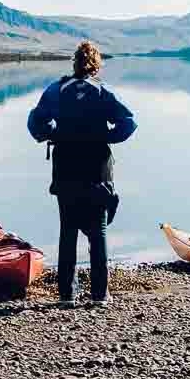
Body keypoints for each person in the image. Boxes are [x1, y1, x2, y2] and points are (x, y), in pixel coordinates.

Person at [27, 42, 137, 308]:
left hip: (65, 165)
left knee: (68, 230)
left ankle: (67, 295)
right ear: (96, 65)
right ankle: (100, 295)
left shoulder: (56, 90)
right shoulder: (103, 91)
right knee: (98, 231)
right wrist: (106, 136)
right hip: (97, 166)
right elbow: (128, 122)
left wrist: (52, 133)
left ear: (74, 63)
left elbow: (35, 122)